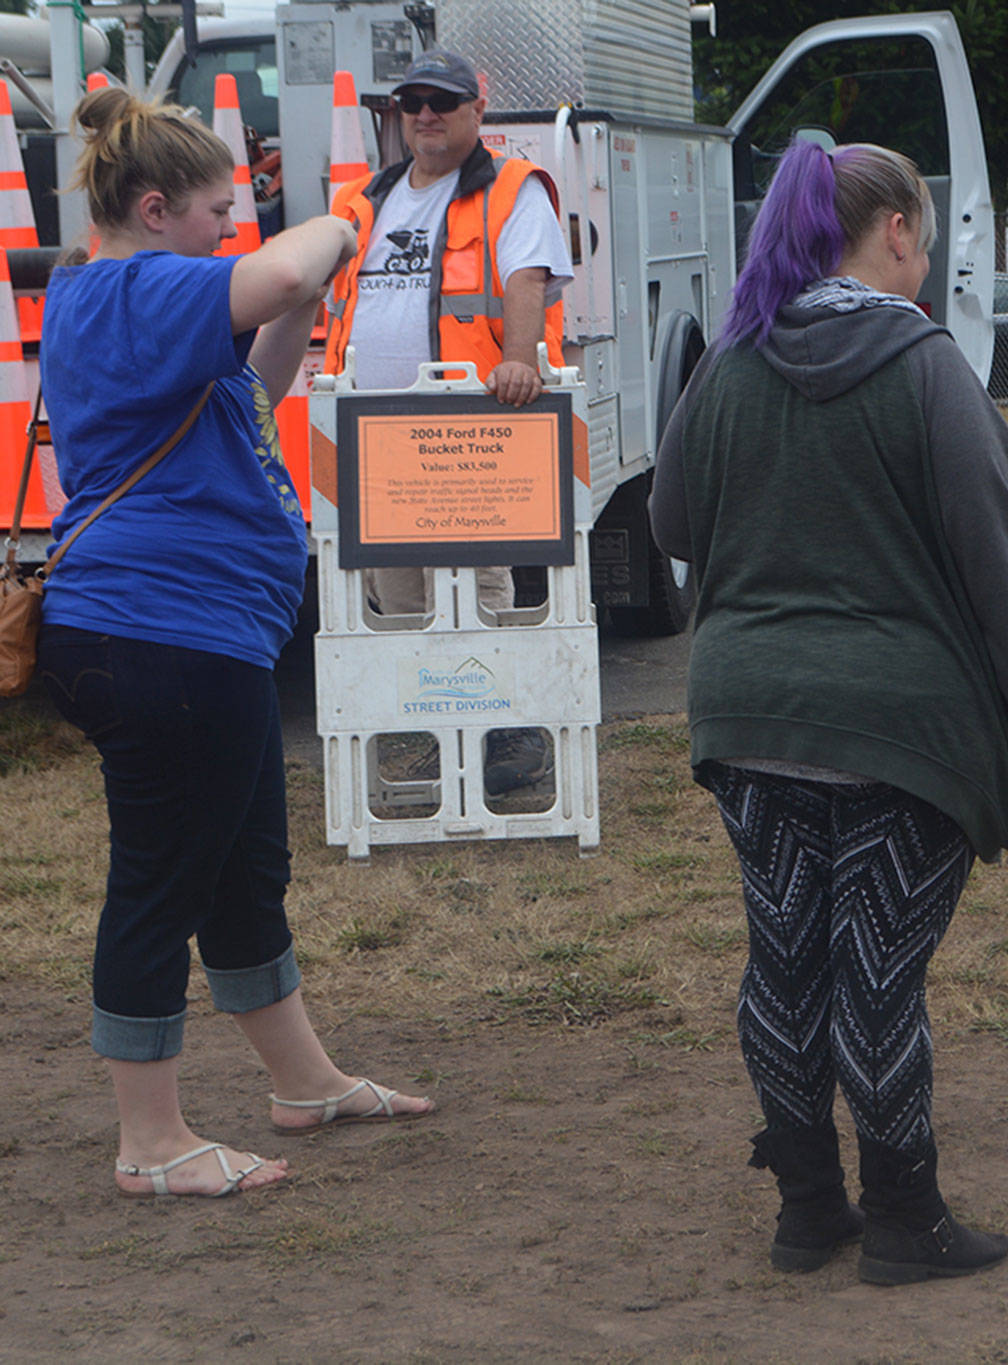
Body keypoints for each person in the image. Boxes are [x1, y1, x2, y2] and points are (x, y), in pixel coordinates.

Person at [647, 140, 1008, 1285]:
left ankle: (806, 1211)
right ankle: (903, 1220)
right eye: (923, 236)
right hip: (899, 726)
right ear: (892, 231)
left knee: (783, 964)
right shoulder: (925, 366)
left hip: (747, 714)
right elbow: (999, 567)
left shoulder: (729, 359)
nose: (924, 260)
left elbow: (672, 524)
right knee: (877, 974)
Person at [36, 88, 432, 1199]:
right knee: (163, 879)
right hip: (164, 638)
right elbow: (290, 269)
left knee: (243, 869)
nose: (232, 232)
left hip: (194, 638)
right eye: (220, 210)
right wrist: (345, 222)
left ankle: (303, 1084)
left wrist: (300, 305)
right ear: (155, 209)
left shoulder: (126, 293)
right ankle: (148, 1142)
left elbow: (248, 393)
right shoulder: (136, 286)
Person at [322, 48, 574, 796]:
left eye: (441, 101)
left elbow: (525, 276)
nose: (425, 114)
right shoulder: (364, 199)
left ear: (476, 111)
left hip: (469, 427)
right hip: (374, 430)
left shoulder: (511, 189)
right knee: (396, 595)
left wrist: (520, 360)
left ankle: (508, 734)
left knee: (474, 583)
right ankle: (442, 731)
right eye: (412, 103)